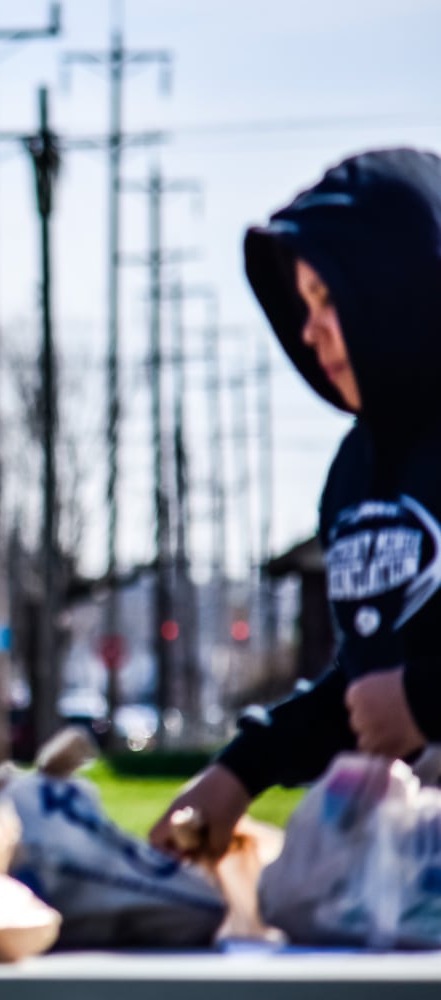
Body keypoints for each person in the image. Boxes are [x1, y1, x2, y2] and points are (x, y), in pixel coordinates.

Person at [150, 147, 441, 859]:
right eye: (302, 304)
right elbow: (368, 687)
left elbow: (405, 693)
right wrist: (238, 772)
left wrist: (426, 699)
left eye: (328, 299)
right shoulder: (354, 471)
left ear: (394, 289)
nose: (309, 331)